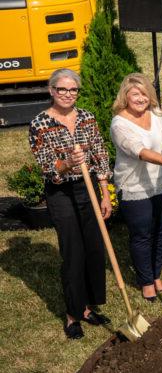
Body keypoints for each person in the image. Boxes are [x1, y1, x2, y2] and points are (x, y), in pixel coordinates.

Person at [29, 69, 113, 339]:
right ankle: (72, 314)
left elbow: (99, 152)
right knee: (73, 252)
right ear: (51, 90)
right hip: (61, 191)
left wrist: (104, 192)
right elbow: (47, 166)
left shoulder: (87, 117)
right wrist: (66, 164)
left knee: (94, 249)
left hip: (88, 188)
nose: (68, 94)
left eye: (73, 89)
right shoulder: (40, 124)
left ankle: (88, 307)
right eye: (62, 89)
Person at [109, 73, 162, 303]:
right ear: (125, 97)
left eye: (144, 93)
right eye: (135, 94)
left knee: (161, 231)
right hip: (135, 186)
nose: (140, 99)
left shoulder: (157, 114)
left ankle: (156, 275)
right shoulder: (119, 124)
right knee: (142, 235)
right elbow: (139, 151)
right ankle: (145, 281)